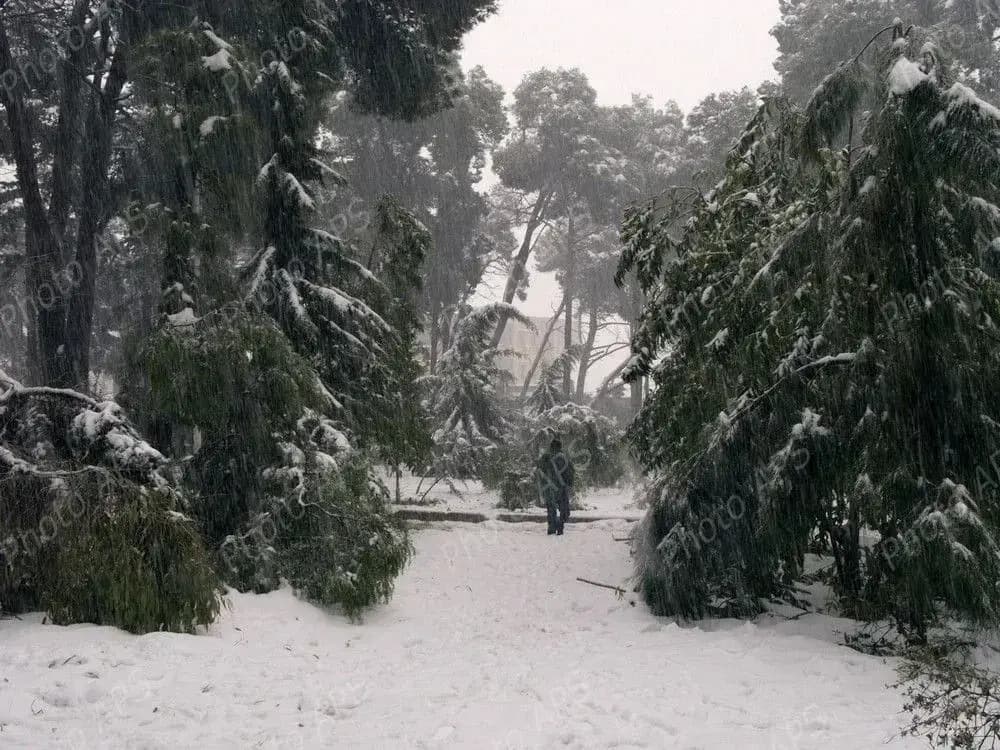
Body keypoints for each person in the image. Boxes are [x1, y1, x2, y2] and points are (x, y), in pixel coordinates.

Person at [536, 437, 574, 536]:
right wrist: (569, 484)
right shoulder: (563, 458)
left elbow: (539, 470)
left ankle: (552, 527)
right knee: (563, 509)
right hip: (561, 488)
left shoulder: (545, 457)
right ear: (560, 447)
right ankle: (560, 527)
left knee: (551, 509)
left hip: (549, 489)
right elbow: (570, 472)